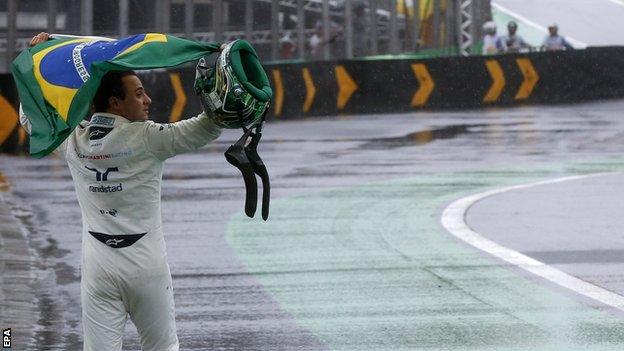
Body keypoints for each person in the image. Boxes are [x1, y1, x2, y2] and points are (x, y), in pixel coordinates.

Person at [24, 32, 223, 351]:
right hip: (146, 263)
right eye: (139, 94)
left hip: (98, 265)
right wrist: (223, 82)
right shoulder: (147, 138)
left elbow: (32, 121)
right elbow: (209, 126)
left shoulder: (74, 141)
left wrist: (36, 59)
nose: (148, 101)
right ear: (116, 102)